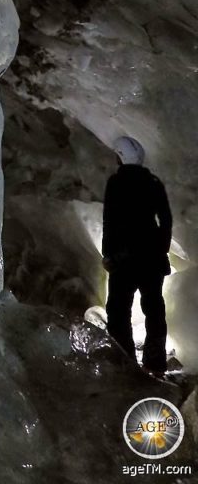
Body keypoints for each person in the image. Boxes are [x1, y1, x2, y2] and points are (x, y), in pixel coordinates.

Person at [102, 136, 172, 376]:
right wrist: (161, 248)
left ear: (121, 156)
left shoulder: (116, 183)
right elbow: (166, 219)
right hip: (151, 257)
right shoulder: (154, 183)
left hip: (125, 259)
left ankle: (125, 362)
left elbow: (109, 220)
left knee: (118, 310)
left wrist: (108, 254)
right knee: (154, 309)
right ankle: (156, 363)